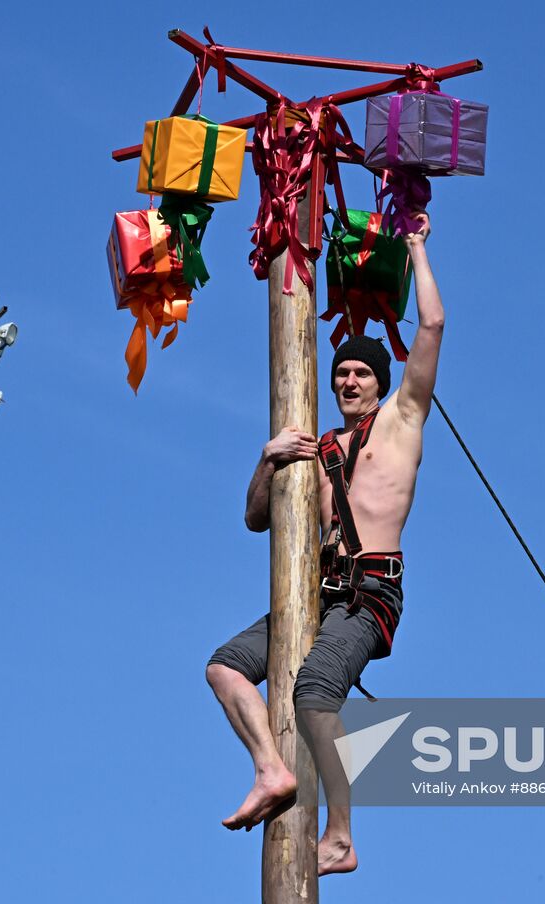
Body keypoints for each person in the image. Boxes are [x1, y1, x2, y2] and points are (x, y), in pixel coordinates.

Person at [205, 212, 443, 876]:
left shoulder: (402, 422)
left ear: (378, 381)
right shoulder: (316, 449)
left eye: (360, 375)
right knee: (224, 667)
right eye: (341, 375)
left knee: (314, 692)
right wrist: (270, 457)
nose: (348, 383)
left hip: (369, 593)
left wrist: (417, 250)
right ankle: (270, 769)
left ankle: (340, 835)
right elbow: (257, 519)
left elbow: (430, 329)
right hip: (315, 590)